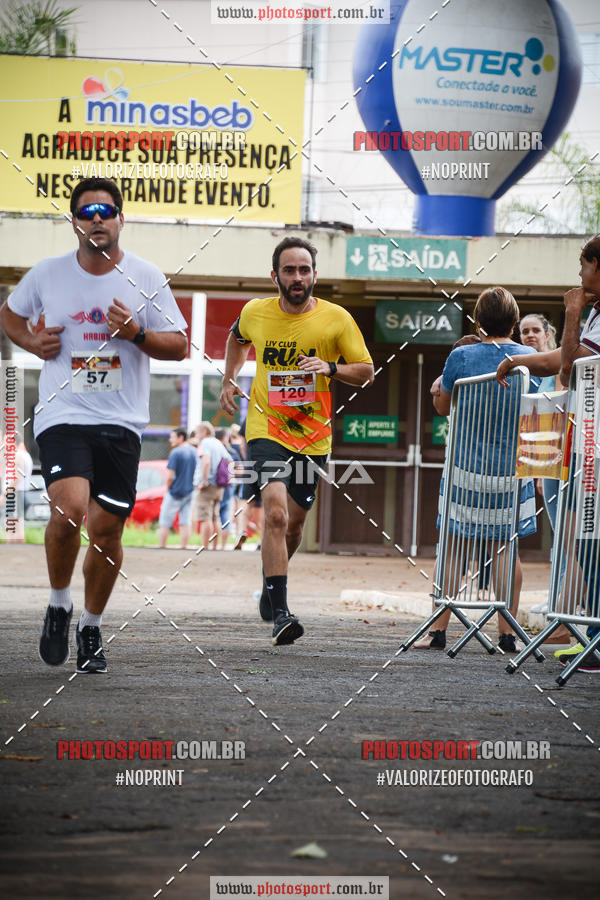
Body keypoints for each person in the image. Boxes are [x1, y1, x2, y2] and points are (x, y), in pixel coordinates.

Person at [0, 177, 188, 674]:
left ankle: (91, 625)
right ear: (75, 222)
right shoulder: (48, 274)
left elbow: (179, 346)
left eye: (106, 210)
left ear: (121, 218)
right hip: (64, 414)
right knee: (69, 511)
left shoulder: (146, 276)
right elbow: (10, 315)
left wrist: (138, 333)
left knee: (106, 533)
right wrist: (32, 342)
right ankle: (59, 605)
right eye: (87, 212)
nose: (97, 219)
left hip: (121, 422)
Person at [220, 236, 374, 646]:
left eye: (304, 270)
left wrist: (330, 366)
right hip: (265, 426)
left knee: (293, 525)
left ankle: (273, 584)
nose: (297, 277)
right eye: (289, 270)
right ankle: (282, 614)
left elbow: (366, 371)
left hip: (313, 436)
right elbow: (236, 339)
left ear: (315, 275)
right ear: (275, 276)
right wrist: (229, 378)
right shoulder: (255, 311)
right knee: (274, 515)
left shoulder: (336, 319)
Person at [497, 236, 600, 670]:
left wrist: (571, 312)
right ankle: (594, 634)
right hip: (582, 445)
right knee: (584, 540)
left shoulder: (588, 313)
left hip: (593, 446)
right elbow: (559, 359)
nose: (579, 276)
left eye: (584, 265)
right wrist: (518, 362)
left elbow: (569, 368)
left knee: (590, 539)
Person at [416, 286, 537, 653]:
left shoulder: (462, 356)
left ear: (478, 322)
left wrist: (439, 389)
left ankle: (437, 631)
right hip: (510, 473)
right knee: (504, 549)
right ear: (515, 322)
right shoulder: (531, 356)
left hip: (464, 471)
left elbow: (443, 409)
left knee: (452, 547)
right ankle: (507, 634)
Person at [194, 421, 232, 550]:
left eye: (197, 432)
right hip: (219, 485)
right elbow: (229, 461)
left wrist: (204, 480)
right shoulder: (218, 443)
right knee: (215, 517)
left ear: (204, 432)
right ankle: (215, 547)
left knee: (205, 517)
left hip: (208, 484)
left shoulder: (205, 443)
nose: (196, 435)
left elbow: (206, 462)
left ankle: (205, 547)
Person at [157, 427, 197, 550]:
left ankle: (162, 545)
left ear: (181, 437)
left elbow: (170, 476)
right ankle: (183, 546)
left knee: (165, 521)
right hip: (190, 491)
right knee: (185, 521)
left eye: (173, 437)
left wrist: (167, 489)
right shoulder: (194, 451)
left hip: (175, 492)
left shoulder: (175, 452)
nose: (170, 440)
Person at [216, 427, 237, 549]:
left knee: (215, 515)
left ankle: (213, 544)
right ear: (225, 437)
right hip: (228, 485)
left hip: (216, 485)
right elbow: (238, 469)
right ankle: (223, 546)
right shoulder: (232, 452)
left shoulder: (214, 449)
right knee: (225, 514)